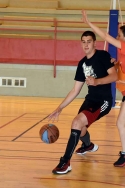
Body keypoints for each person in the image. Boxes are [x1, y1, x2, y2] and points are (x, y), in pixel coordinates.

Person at [81, 10, 125, 167]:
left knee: (120, 123)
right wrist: (116, 63)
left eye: (119, 35)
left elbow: (106, 37)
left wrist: (89, 24)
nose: (117, 38)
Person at [48, 30, 117, 175]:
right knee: (80, 129)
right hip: (90, 99)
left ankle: (65, 162)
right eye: (83, 42)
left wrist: (97, 81)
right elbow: (75, 90)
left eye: (89, 41)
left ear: (94, 43)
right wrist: (59, 108)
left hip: (103, 101)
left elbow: (114, 76)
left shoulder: (103, 56)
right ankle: (87, 145)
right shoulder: (82, 64)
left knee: (76, 123)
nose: (86, 44)